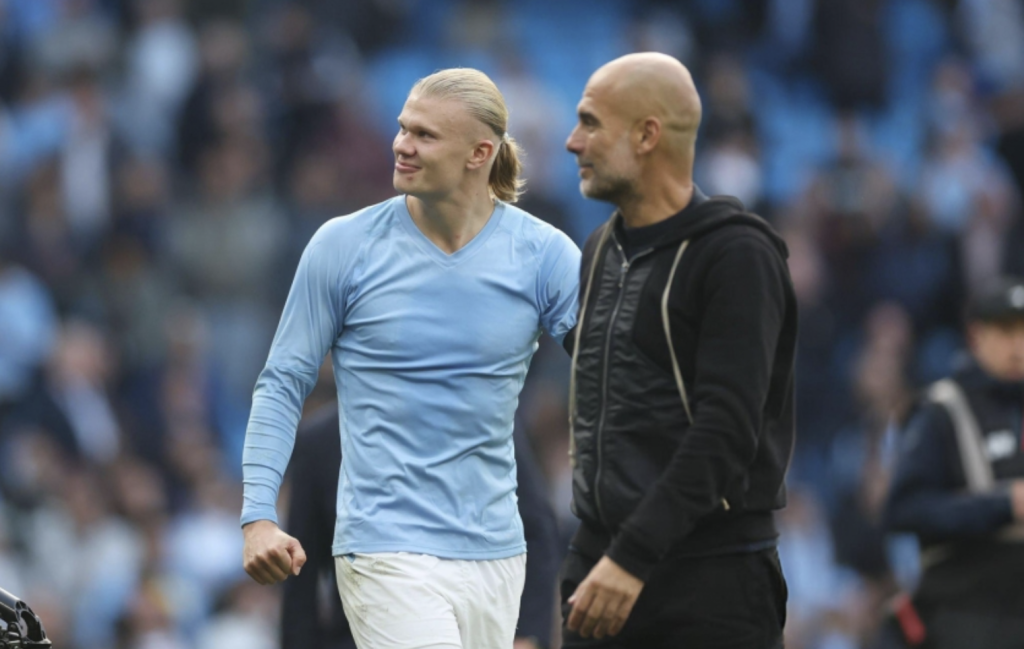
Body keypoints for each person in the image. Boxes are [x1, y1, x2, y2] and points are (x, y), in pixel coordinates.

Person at [239, 67, 581, 649]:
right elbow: (282, 384)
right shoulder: (342, 246)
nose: (401, 144)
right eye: (403, 128)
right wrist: (258, 516)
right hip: (383, 548)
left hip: (497, 555)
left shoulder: (545, 255)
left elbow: (610, 376)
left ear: (479, 153)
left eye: (424, 135)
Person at [560, 52, 797, 647]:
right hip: (600, 570)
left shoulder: (737, 255)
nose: (572, 141)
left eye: (590, 122)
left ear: (647, 135)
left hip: (709, 584)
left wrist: (632, 555)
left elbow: (726, 430)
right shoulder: (599, 249)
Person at [281, 404, 563, 649]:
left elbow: (536, 528)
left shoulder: (479, 417)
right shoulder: (320, 441)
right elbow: (300, 584)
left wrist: (526, 636)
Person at [881, 276, 1024, 649]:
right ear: (976, 336)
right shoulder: (942, 410)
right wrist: (1004, 504)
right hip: (969, 614)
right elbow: (904, 510)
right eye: (1006, 331)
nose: (1018, 347)